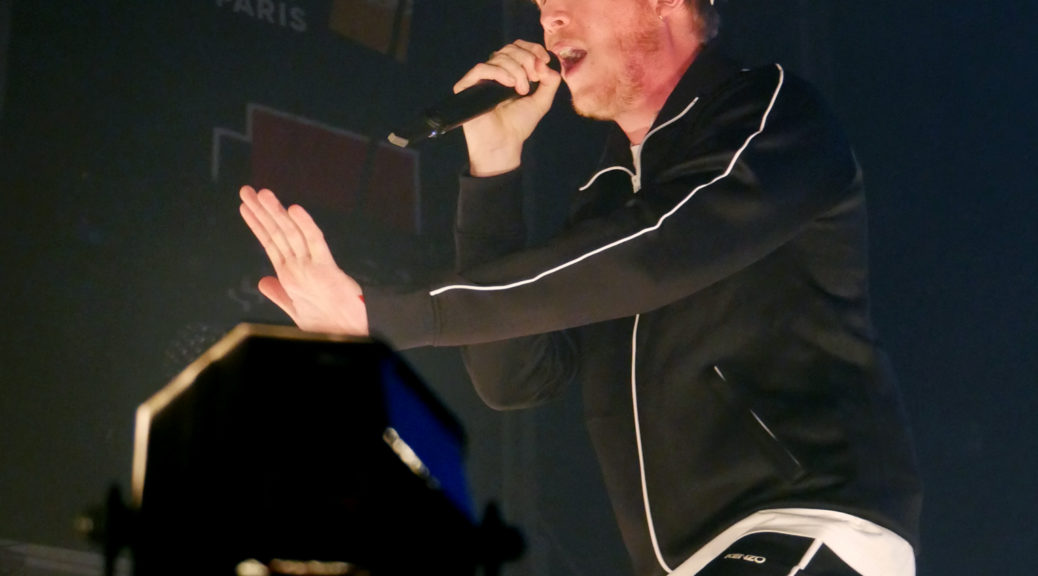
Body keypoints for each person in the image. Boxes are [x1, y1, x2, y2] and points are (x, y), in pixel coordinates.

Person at [239, 0, 922, 574]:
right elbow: (515, 378)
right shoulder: (606, 192)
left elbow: (650, 256)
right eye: (541, 4)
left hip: (812, 526)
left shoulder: (770, 112)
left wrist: (385, 316)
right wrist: (494, 165)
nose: (550, 18)